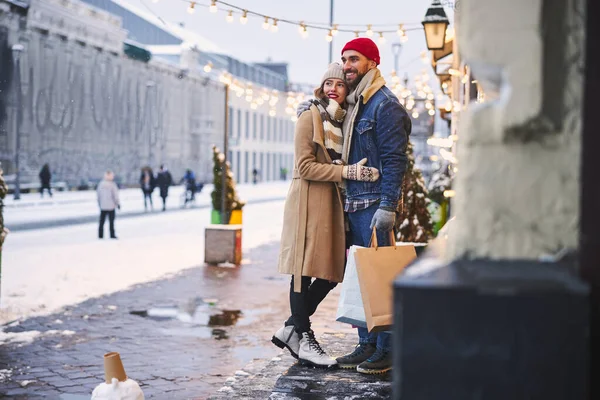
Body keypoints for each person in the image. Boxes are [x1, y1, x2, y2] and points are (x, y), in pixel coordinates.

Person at [272, 63, 380, 368]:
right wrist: (347, 172)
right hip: (307, 199)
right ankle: (303, 335)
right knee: (302, 270)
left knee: (334, 269)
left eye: (340, 84)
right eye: (328, 83)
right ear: (321, 87)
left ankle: (293, 327)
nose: (333, 88)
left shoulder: (341, 122)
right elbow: (305, 166)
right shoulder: (310, 116)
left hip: (330, 203)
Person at [334, 38, 411, 375]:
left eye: (354, 59)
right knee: (362, 280)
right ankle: (367, 343)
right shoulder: (356, 104)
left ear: (372, 62)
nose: (348, 66)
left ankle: (388, 350)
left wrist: (388, 206)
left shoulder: (384, 104)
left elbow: (396, 160)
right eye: (344, 59)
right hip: (353, 204)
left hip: (374, 205)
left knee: (382, 277)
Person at [97, 170, 120, 239]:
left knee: (102, 221)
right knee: (111, 222)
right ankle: (112, 234)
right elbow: (115, 195)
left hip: (103, 206)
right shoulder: (112, 185)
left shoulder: (101, 184)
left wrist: (99, 204)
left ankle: (100, 235)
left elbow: (98, 195)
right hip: (111, 206)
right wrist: (117, 203)